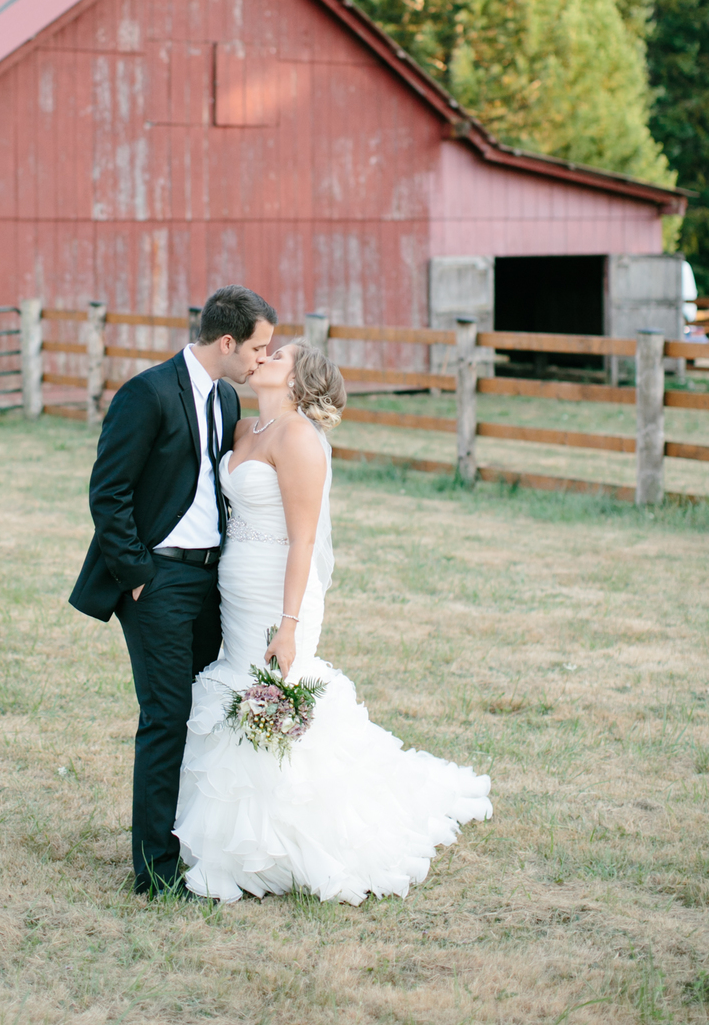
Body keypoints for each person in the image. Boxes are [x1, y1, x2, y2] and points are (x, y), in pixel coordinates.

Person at [174, 341, 492, 903]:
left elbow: (303, 539)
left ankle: (291, 839)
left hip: (281, 594)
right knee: (237, 685)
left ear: (298, 380)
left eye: (280, 354)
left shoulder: (298, 438)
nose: (266, 354)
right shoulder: (245, 427)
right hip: (237, 591)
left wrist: (290, 624)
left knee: (275, 693)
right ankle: (234, 832)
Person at [69, 284, 276, 896]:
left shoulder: (229, 399)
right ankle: (154, 872)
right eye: (259, 348)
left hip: (214, 581)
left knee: (210, 710)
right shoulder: (148, 393)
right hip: (157, 580)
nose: (263, 360)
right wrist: (137, 575)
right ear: (229, 341)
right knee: (167, 717)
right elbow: (108, 492)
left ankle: (199, 843)